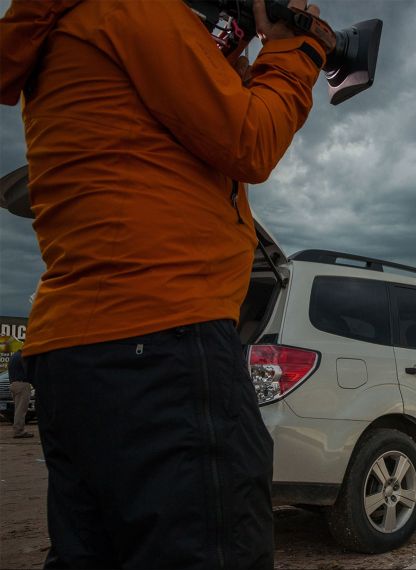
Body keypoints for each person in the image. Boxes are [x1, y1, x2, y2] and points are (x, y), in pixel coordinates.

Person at [1, 0, 328, 567]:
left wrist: (230, 51)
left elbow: (166, 132)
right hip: (162, 337)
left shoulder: (70, 27)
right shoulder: (136, 8)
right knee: (213, 548)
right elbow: (250, 138)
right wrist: (298, 45)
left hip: (74, 349)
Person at [7, 349, 33, 439]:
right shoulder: (23, 356)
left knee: (18, 409)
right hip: (22, 385)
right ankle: (19, 431)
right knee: (21, 410)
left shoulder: (13, 357)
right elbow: (29, 371)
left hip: (13, 384)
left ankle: (17, 429)